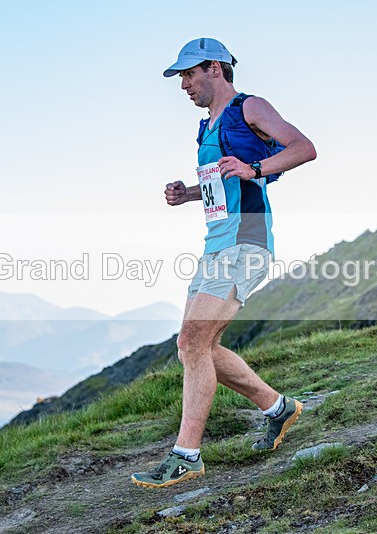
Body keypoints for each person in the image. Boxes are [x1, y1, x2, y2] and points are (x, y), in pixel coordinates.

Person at [131, 37, 316, 488]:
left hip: (245, 244)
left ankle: (186, 455)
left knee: (193, 342)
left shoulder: (250, 107)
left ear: (215, 68)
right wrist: (189, 194)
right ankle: (279, 408)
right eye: (180, 78)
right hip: (216, 245)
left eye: (188, 74)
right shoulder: (206, 127)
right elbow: (223, 183)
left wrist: (257, 169)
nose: (183, 85)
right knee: (197, 346)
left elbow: (304, 147)